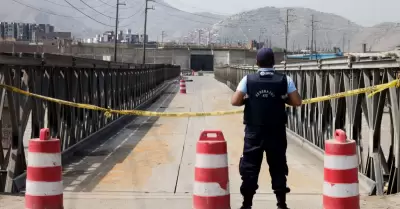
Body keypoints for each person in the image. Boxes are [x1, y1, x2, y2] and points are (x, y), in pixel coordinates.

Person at [231, 48, 302, 209]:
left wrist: (248, 101)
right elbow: (297, 101)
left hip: (254, 132)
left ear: (257, 62)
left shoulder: (248, 79)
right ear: (274, 62)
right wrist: (283, 101)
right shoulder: (285, 80)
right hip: (276, 132)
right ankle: (281, 204)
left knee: (250, 167)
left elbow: (235, 101)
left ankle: (246, 204)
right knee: (278, 166)